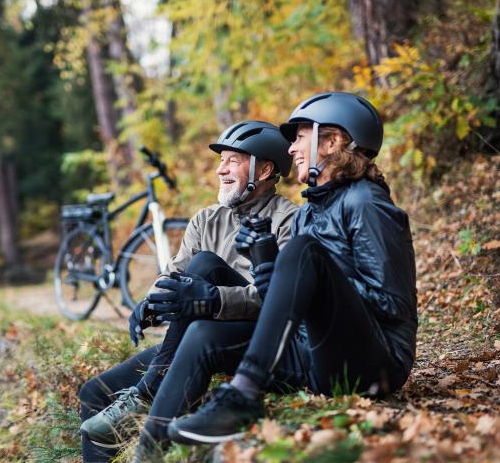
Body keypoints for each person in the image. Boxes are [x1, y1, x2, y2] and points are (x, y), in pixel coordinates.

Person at [164, 92, 418, 446]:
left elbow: (393, 304)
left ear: (332, 141)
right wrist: (269, 269)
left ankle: (244, 395)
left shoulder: (366, 203)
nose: (291, 149)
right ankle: (148, 447)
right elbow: (287, 312)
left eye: (300, 137)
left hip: (377, 364)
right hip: (315, 355)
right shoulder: (307, 214)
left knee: (304, 251)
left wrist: (316, 276)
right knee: (203, 336)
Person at [78, 121, 298, 462]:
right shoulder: (205, 219)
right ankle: (141, 394)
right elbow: (174, 273)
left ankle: (146, 392)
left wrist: (212, 299)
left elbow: (280, 297)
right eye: (220, 160)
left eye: (232, 160)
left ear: (266, 168)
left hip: (248, 336)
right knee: (93, 392)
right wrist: (152, 303)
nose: (220, 169)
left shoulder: (289, 220)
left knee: (207, 265)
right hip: (195, 334)